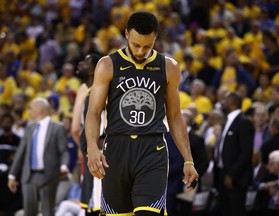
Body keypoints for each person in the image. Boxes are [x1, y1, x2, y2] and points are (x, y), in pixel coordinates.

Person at [85, 11, 199, 216]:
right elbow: (94, 112)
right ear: (127, 34)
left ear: (155, 38)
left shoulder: (169, 67)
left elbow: (174, 116)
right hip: (116, 150)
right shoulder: (107, 65)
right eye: (136, 45)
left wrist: (188, 160)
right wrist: (92, 148)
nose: (141, 51)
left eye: (147, 46)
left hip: (152, 150)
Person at [8, 97, 70, 216]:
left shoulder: (57, 127)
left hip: (49, 175)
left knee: (47, 212)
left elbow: (64, 151)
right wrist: (12, 175)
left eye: (31, 108)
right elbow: (21, 152)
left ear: (39, 110)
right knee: (29, 213)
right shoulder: (29, 128)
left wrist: (63, 166)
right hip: (28, 176)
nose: (29, 111)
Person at [214, 92, 255, 216]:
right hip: (222, 173)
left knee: (236, 211)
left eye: (225, 100)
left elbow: (246, 153)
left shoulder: (243, 122)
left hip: (235, 178)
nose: (222, 102)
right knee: (224, 210)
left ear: (232, 103)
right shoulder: (227, 121)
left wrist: (231, 175)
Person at [76, 54, 103, 215]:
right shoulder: (90, 93)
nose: (80, 64)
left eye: (85, 62)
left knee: (98, 208)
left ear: (93, 70)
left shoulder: (101, 94)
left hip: (100, 158)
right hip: (90, 157)